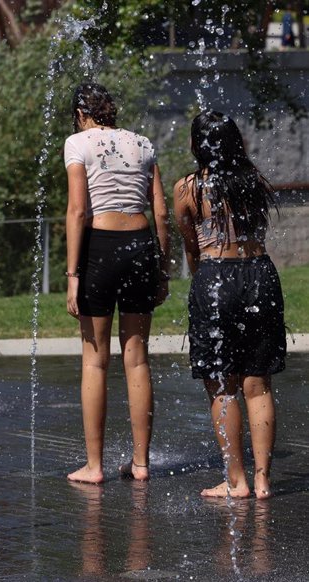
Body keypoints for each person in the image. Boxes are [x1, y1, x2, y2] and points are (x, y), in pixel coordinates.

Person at [173, 110, 285, 499]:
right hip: (260, 276)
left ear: (196, 146)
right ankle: (263, 480)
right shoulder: (254, 182)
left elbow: (192, 246)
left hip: (217, 278)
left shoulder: (188, 188)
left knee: (223, 385)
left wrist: (204, 281)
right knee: (259, 383)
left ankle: (236, 481)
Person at [64, 83, 170, 484]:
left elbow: (77, 211)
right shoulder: (143, 143)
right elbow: (160, 211)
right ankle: (140, 463)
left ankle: (95, 466)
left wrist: (73, 275)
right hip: (141, 245)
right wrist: (161, 267)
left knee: (94, 359)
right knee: (137, 357)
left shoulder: (78, 143)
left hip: (101, 247)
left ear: (81, 113)